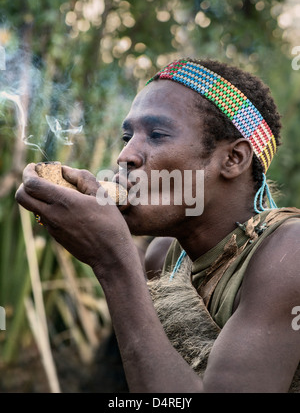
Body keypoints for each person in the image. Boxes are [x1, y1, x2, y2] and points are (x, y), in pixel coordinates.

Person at [15, 58, 300, 393]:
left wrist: (113, 262)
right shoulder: (163, 255)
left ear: (233, 159)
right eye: (127, 136)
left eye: (156, 134)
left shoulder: (289, 253)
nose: (126, 156)